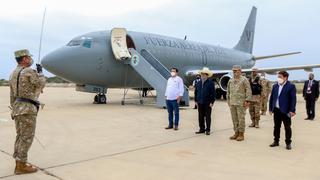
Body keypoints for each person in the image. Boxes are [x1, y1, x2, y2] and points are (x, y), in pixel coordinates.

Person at [9, 49, 46, 174]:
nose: (30, 59)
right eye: (29, 57)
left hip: (17, 108)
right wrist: (40, 72)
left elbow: (12, 95)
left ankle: (19, 162)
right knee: (27, 138)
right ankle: (21, 166)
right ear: (24, 59)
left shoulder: (13, 73)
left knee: (20, 137)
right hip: (27, 109)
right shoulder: (29, 71)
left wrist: (14, 108)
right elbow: (40, 83)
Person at [269, 71, 296, 150]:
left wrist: (292, 110)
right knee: (276, 127)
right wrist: (271, 108)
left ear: (285, 77)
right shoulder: (275, 86)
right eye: (278, 76)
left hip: (286, 111)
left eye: (280, 76)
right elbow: (272, 98)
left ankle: (288, 143)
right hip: (276, 110)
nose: (278, 78)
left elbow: (293, 99)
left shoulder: (291, 86)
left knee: (287, 127)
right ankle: (276, 141)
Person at [227, 65, 252, 141]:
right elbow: (228, 91)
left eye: (236, 70)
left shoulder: (244, 80)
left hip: (241, 103)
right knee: (234, 119)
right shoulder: (230, 80)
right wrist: (228, 101)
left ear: (240, 71)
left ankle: (241, 134)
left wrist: (247, 101)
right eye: (233, 70)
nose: (234, 72)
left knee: (241, 119)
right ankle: (236, 132)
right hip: (233, 103)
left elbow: (248, 90)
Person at [194, 67, 216, 135]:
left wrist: (212, 102)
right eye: (201, 74)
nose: (202, 75)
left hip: (207, 103)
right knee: (200, 116)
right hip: (200, 102)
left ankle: (208, 130)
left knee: (207, 116)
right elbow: (196, 92)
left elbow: (213, 93)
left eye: (203, 74)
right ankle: (201, 129)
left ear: (207, 75)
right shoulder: (198, 83)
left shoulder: (211, 83)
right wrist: (196, 101)